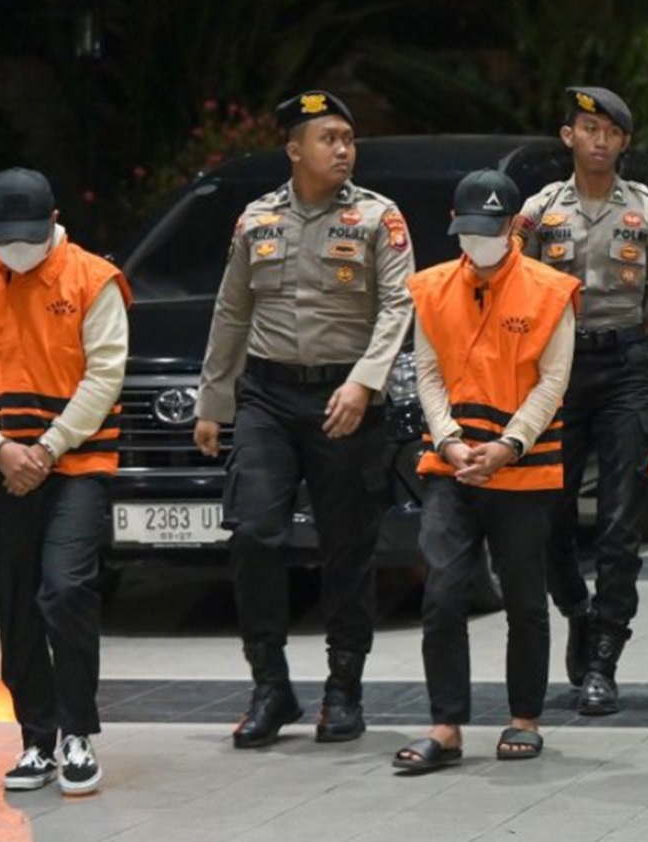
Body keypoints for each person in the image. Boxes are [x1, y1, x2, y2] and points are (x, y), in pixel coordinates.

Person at [194, 90, 414, 749]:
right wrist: (214, 402)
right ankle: (271, 686)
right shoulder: (255, 220)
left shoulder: (379, 217)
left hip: (345, 399)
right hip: (266, 395)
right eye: (329, 139)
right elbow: (232, 311)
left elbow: (398, 307)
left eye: (349, 138)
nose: (343, 149)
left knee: (347, 549)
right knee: (255, 532)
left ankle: (343, 689)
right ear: (295, 150)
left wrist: (364, 382)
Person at [0, 168, 130, 795]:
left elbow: (105, 376)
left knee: (65, 589)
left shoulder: (92, 279)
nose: (18, 251)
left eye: (30, 237)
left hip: (75, 463)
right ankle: (35, 740)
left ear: (54, 222)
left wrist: (44, 448)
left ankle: (77, 734)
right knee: (16, 606)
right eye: (5, 238)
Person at [392, 170, 578, 773]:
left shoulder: (550, 291)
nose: (478, 242)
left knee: (525, 597)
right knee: (442, 594)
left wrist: (509, 445)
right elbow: (426, 372)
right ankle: (445, 727)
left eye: (491, 230)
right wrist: (448, 441)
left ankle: (524, 718)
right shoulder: (431, 288)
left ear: (512, 227)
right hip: (450, 467)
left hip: (522, 469)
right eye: (468, 231)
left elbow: (553, 381)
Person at [513, 85, 648, 716]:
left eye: (611, 131)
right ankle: (578, 611)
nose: (600, 139)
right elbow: (515, 296)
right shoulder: (536, 212)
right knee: (550, 516)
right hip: (555, 371)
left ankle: (604, 660)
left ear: (625, 143)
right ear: (568, 137)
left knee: (617, 525)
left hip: (627, 369)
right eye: (588, 128)